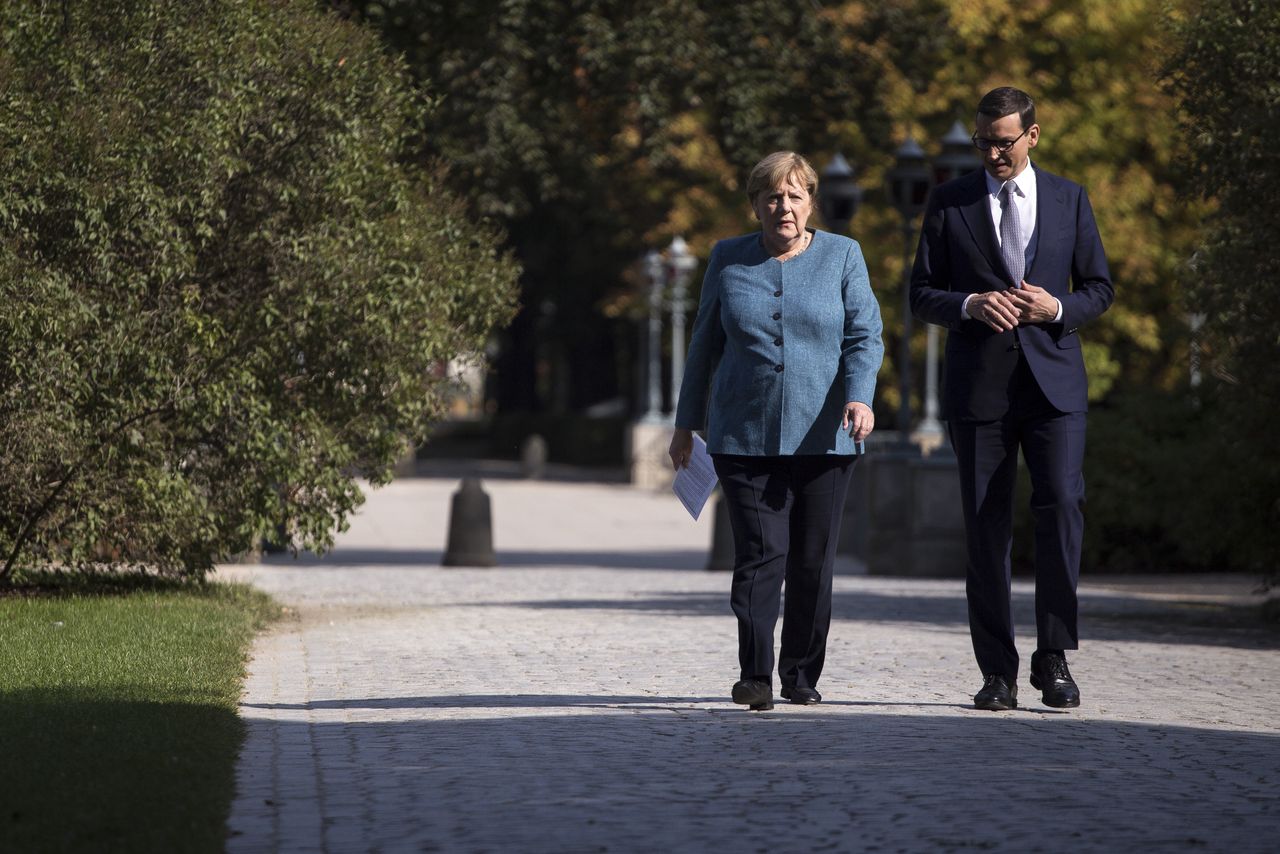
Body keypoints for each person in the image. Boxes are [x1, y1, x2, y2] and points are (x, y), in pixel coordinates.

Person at [910, 87, 1114, 711]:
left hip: (1055, 385)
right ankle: (996, 671)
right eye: (983, 142)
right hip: (980, 392)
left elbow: (1100, 288)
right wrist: (969, 304)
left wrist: (1058, 307)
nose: (993, 153)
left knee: (1062, 511)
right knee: (985, 530)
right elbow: (920, 293)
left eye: (1003, 140)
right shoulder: (950, 202)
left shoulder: (1069, 198)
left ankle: (1052, 660)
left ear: (1033, 134)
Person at [669, 151, 884, 711]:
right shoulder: (728, 258)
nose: (782, 206)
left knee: (812, 561)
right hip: (744, 435)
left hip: (826, 438)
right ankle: (756, 673)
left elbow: (865, 335)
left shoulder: (843, 256)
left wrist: (860, 396)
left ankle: (801, 673)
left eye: (793, 195)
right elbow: (703, 345)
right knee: (760, 555)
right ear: (755, 205)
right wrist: (684, 424)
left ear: (810, 201)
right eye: (771, 196)